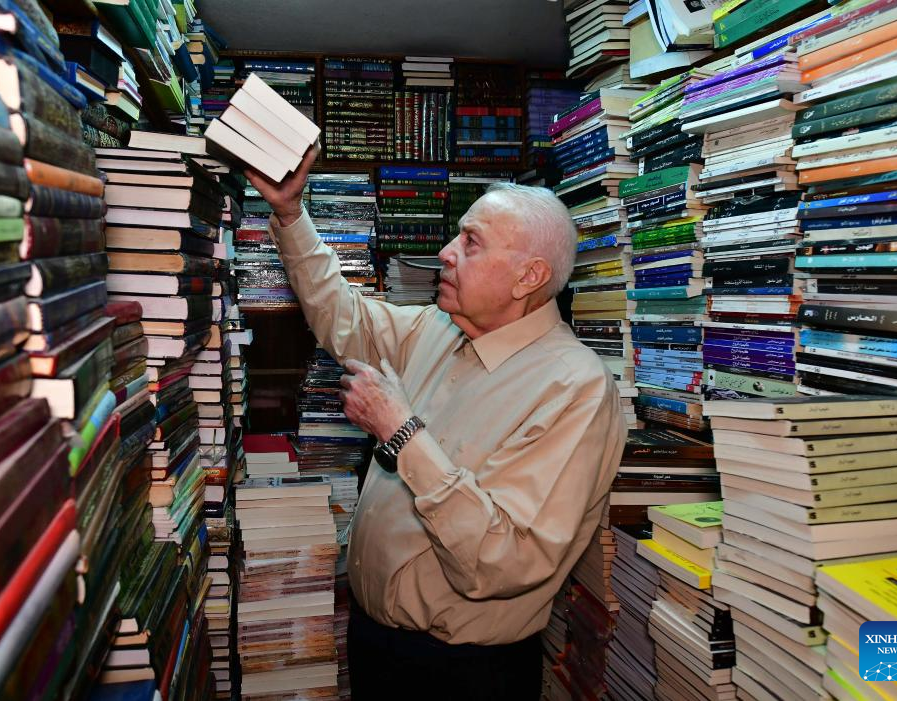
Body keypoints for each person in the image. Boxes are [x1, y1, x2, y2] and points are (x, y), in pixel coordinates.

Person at [246, 143, 625, 701]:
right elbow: (345, 319)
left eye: (470, 242)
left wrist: (402, 433)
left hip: (464, 674)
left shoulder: (576, 389)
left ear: (529, 276)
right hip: (376, 644)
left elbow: (503, 562)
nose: (445, 253)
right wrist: (289, 214)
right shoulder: (437, 328)